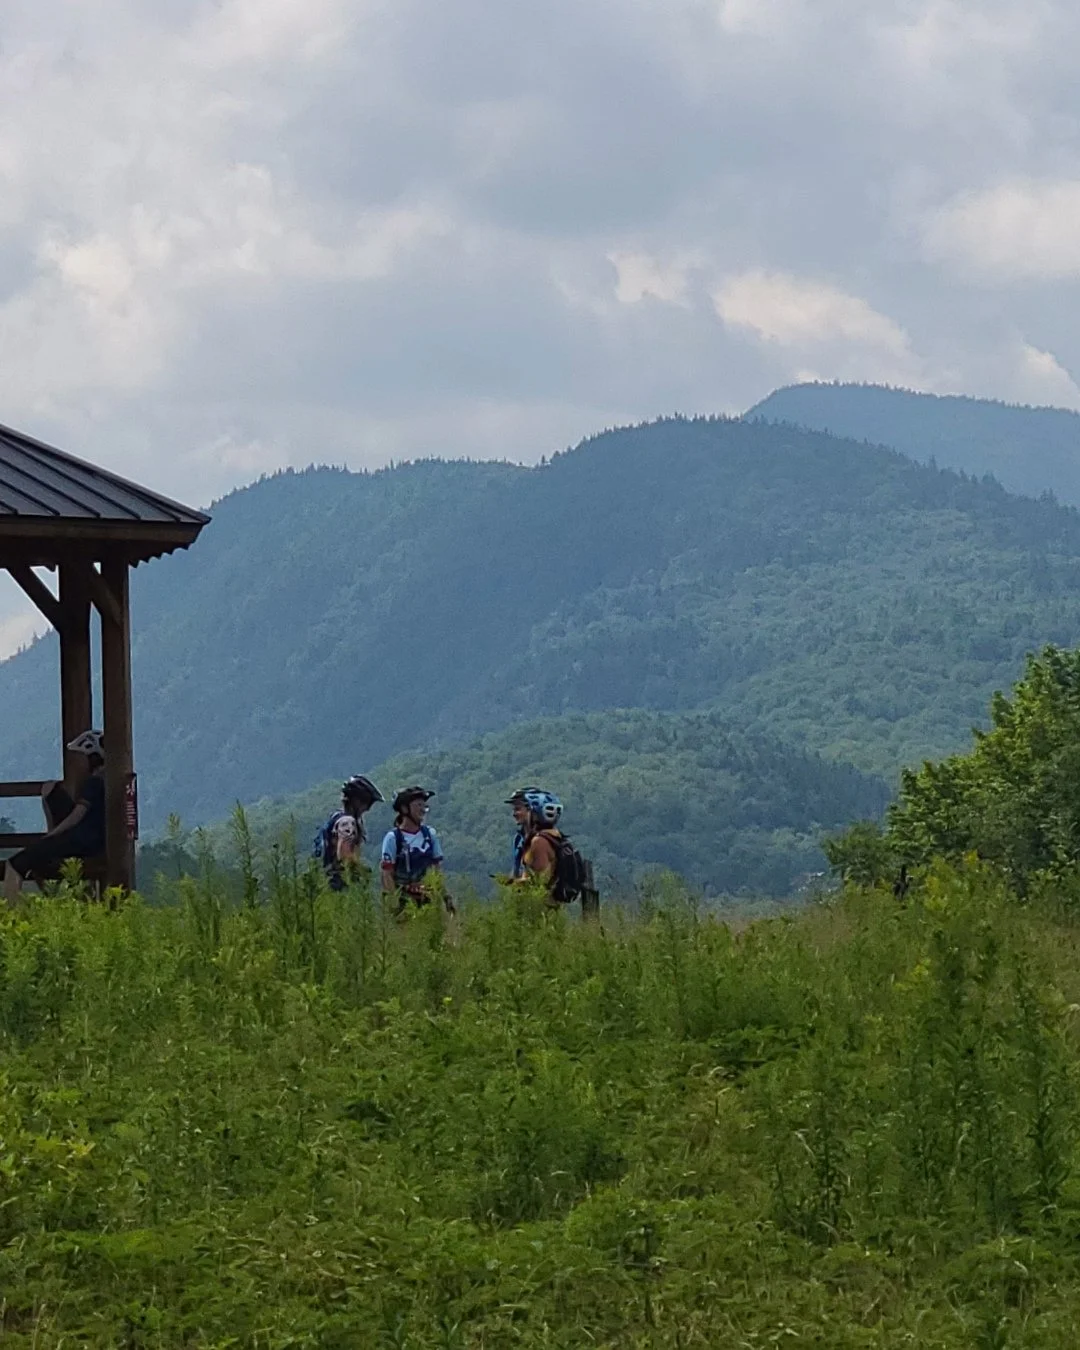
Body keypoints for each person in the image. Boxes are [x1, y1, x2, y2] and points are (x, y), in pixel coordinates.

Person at [3, 729, 107, 904]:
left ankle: (10, 917)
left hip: (79, 842)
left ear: (91, 759)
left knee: (14, 864)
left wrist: (52, 835)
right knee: (38, 863)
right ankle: (56, 906)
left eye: (78, 758)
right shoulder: (103, 782)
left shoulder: (93, 783)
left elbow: (77, 815)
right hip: (87, 843)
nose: (75, 764)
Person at [381, 786, 451, 913]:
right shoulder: (392, 838)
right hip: (404, 903)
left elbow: (437, 869)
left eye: (424, 806)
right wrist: (394, 902)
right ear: (404, 809)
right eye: (418, 805)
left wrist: (445, 896)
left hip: (428, 901)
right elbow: (387, 873)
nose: (423, 810)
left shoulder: (430, 834)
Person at [314, 775, 384, 891]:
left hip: (325, 881)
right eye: (367, 803)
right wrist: (360, 870)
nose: (367, 809)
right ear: (357, 801)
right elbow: (344, 854)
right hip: (339, 885)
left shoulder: (336, 817)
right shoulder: (348, 823)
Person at [512, 788, 566, 903]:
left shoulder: (539, 842)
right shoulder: (553, 837)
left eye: (518, 809)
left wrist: (516, 883)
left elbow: (540, 883)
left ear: (533, 812)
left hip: (540, 908)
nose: (514, 814)